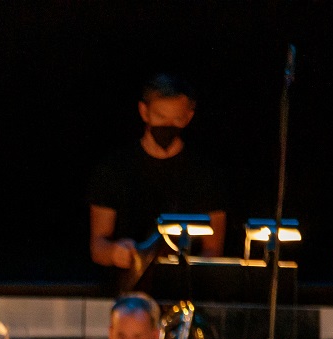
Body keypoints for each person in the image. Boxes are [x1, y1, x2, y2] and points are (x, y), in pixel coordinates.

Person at [88, 73, 228, 287]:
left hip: (184, 289)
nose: (168, 126)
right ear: (144, 111)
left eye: (177, 119)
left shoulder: (206, 174)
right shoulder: (114, 169)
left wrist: (190, 272)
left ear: (189, 117)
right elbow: (98, 246)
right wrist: (115, 252)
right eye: (161, 117)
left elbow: (213, 249)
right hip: (127, 290)